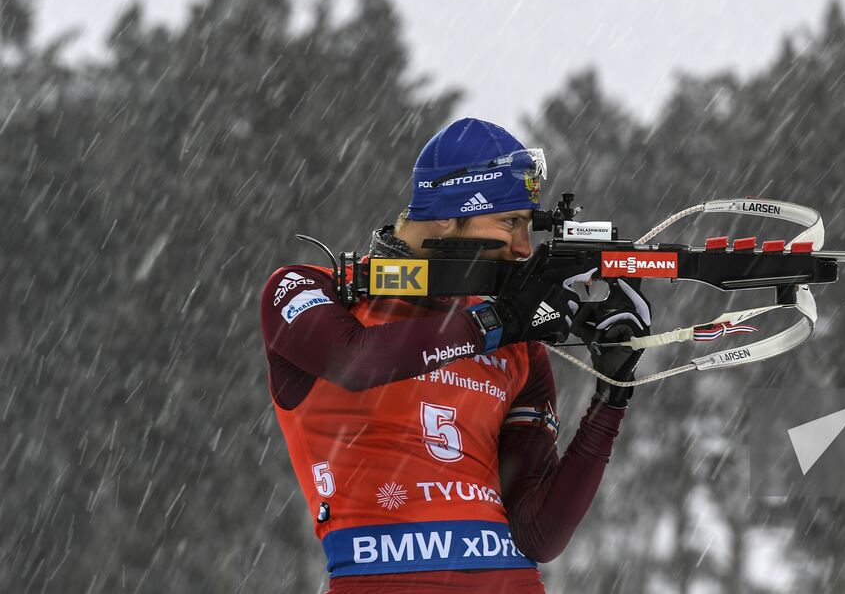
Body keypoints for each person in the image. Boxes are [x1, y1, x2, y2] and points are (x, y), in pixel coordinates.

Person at [260, 117, 650, 593]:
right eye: (510, 223)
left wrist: (612, 393)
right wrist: (498, 322)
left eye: (529, 226)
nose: (523, 249)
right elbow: (354, 361)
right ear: (447, 215)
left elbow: (538, 535)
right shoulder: (307, 288)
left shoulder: (515, 341)